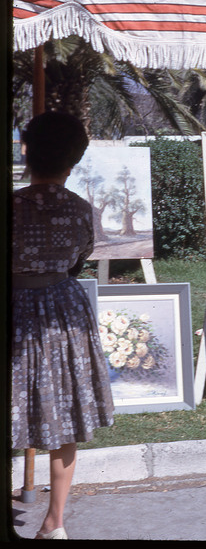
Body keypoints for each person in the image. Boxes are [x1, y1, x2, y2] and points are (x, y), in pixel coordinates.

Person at [12, 112, 114, 540]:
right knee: (62, 417)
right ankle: (55, 523)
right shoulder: (82, 211)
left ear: (25, 151)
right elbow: (77, 262)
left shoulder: (10, 206)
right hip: (61, 311)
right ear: (73, 162)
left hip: (14, 309)